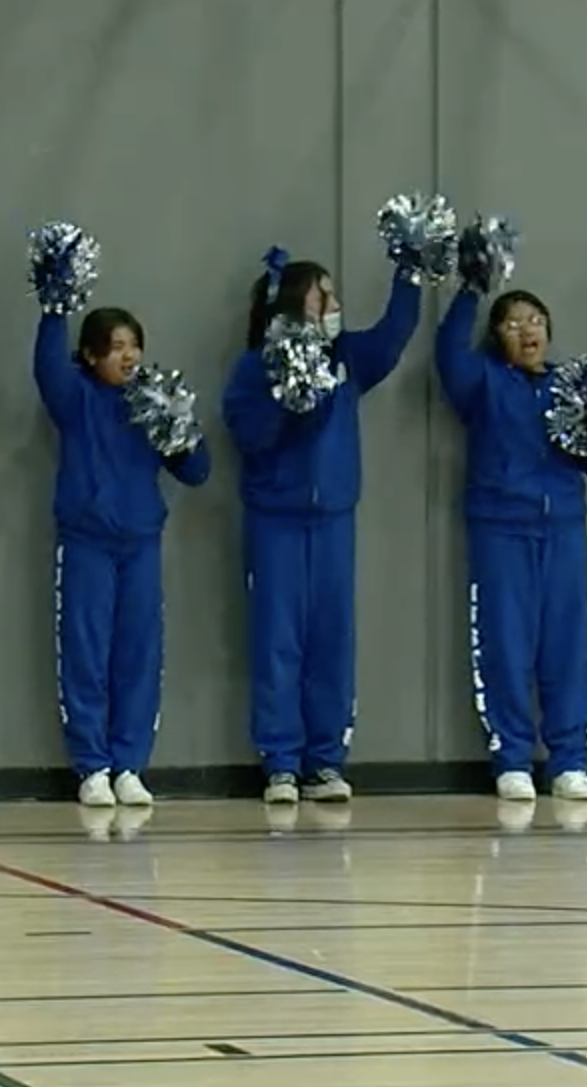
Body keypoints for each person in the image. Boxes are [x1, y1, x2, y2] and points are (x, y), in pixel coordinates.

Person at [221, 250, 422, 805]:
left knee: (333, 641)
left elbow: (394, 335)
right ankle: (281, 764)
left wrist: (408, 272)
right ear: (293, 303)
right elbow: (251, 438)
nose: (335, 306)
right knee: (277, 643)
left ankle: (326, 762)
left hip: (334, 521)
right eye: (323, 296)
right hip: (275, 522)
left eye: (334, 298)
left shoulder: (348, 358)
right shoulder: (252, 368)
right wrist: (291, 399)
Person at [435, 284, 587, 803]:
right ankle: (512, 758)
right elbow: (448, 355)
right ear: (496, 336)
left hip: (563, 528)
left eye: (535, 319)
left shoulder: (571, 386)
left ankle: (570, 760)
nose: (527, 329)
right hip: (500, 528)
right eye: (513, 323)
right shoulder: (484, 382)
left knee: (568, 647)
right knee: (506, 643)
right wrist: (471, 289)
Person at [37, 305, 209, 808]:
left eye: (134, 344)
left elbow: (197, 472)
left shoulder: (150, 402)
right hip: (87, 542)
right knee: (86, 653)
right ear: (90, 356)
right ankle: (92, 767)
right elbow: (46, 366)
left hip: (141, 545)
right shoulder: (76, 399)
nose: (128, 355)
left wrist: (180, 425)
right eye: (115, 347)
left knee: (139, 656)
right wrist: (54, 306)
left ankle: (130, 765)